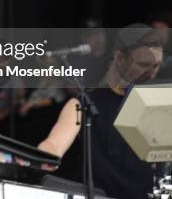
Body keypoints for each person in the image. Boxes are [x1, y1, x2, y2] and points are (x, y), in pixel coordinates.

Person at [38, 23, 164, 199]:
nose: (151, 73)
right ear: (119, 58)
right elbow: (53, 145)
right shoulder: (83, 103)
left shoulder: (161, 104)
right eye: (143, 65)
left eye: (156, 66)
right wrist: (34, 159)